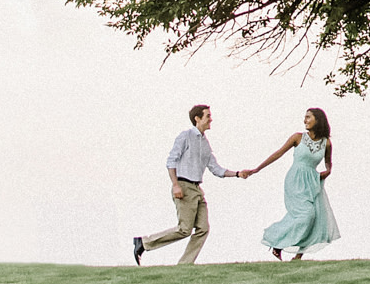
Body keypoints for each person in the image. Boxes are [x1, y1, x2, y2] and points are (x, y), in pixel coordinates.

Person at [132, 104, 243, 265]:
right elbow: (171, 161)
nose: (211, 119)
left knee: (203, 229)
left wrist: (238, 174)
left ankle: (185, 264)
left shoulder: (205, 143)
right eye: (208, 116)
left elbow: (216, 169)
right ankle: (144, 243)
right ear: (197, 119)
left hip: (197, 189)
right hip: (183, 186)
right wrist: (175, 185)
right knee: (185, 229)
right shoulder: (185, 136)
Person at [245, 106, 341, 259]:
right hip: (295, 180)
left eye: (308, 117)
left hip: (313, 181)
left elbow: (329, 163)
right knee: (306, 216)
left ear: (318, 119)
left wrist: (328, 171)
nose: (305, 120)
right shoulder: (298, 137)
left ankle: (298, 257)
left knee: (314, 218)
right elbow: (278, 153)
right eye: (305, 117)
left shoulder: (326, 143)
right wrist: (257, 169)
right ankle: (276, 240)